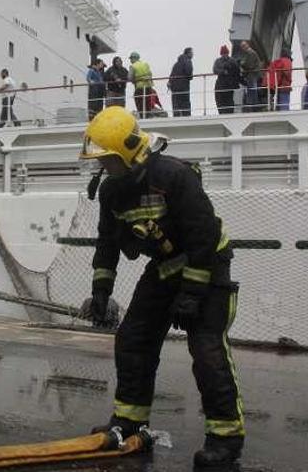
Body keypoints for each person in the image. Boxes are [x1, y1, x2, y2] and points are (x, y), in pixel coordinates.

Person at [81, 106, 245, 467]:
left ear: (129, 152)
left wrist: (192, 293)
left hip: (208, 264)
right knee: (133, 338)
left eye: (109, 160)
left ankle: (225, 437)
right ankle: (129, 420)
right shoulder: (112, 192)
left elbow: (204, 234)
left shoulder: (173, 175)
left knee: (206, 348)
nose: (104, 167)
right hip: (166, 268)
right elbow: (107, 242)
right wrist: (101, 291)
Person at [213, 45, 240, 114]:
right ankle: (222, 113)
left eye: (226, 53)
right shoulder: (218, 61)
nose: (225, 55)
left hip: (229, 84)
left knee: (229, 100)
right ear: (221, 54)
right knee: (220, 100)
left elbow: (236, 70)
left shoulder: (232, 60)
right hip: (220, 84)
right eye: (223, 53)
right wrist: (223, 71)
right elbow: (215, 70)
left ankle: (229, 112)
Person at [169, 47, 194, 117]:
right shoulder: (188, 61)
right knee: (185, 103)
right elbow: (189, 72)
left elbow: (171, 75)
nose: (193, 55)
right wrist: (190, 77)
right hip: (183, 86)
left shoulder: (176, 64)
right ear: (188, 53)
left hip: (174, 87)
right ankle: (187, 117)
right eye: (192, 53)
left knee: (176, 103)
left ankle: (176, 116)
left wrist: (170, 83)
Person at [238, 41, 262, 112]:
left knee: (252, 90)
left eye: (244, 46)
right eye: (242, 46)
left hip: (252, 74)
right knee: (251, 90)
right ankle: (252, 105)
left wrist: (241, 63)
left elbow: (249, 65)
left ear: (247, 45)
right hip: (252, 75)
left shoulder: (250, 53)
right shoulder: (249, 53)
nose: (243, 47)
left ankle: (252, 106)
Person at [129, 52, 154, 118]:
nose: (130, 60)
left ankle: (142, 116)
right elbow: (150, 74)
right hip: (148, 86)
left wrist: (134, 81)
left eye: (131, 59)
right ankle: (148, 116)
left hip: (140, 87)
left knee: (139, 102)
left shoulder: (133, 66)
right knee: (147, 103)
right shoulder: (145, 64)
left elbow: (130, 78)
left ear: (133, 58)